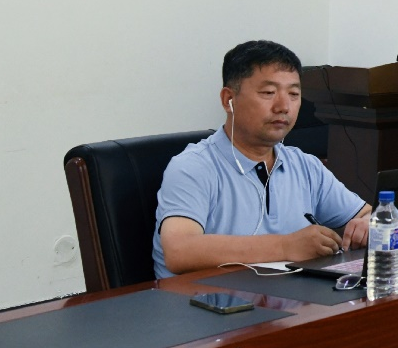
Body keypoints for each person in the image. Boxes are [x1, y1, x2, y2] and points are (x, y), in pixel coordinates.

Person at [153, 40, 371, 278]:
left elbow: (366, 214)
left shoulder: (304, 165)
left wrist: (369, 224)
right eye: (268, 93)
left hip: (288, 297)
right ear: (228, 100)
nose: (283, 106)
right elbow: (179, 251)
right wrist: (285, 246)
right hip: (206, 298)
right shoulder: (193, 166)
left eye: (294, 94)